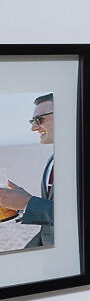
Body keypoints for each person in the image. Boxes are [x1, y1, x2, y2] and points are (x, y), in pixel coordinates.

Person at [0, 93, 55, 249]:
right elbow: (50, 229)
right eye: (33, 121)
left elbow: (82, 217)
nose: (33, 127)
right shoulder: (53, 160)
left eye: (39, 120)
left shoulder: (88, 161)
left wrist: (27, 203)